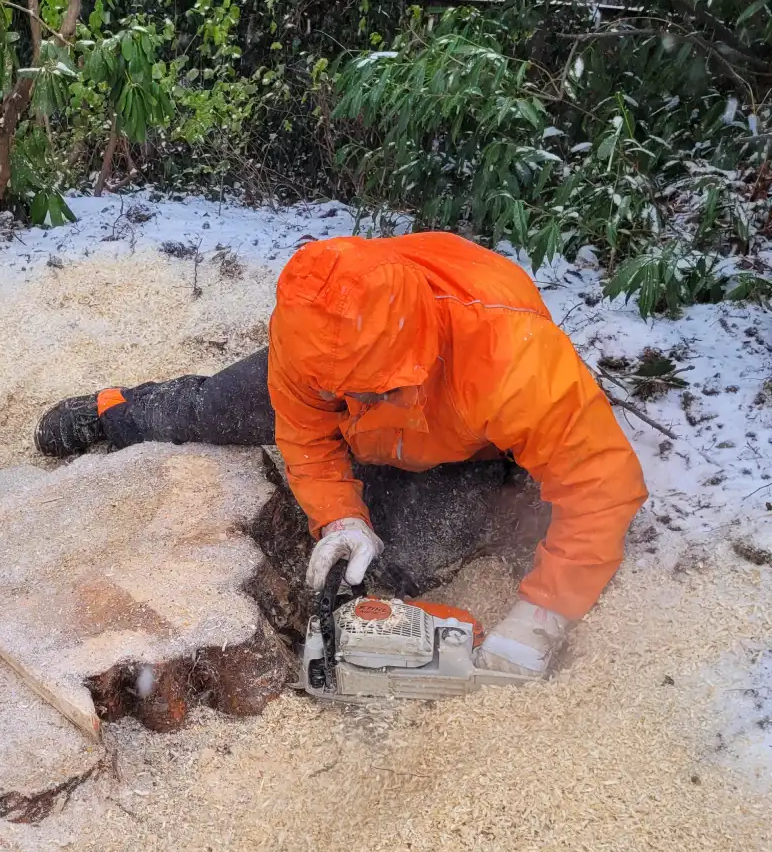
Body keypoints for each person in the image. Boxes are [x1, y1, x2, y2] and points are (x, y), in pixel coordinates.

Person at [34, 232, 648, 677]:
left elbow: (602, 484)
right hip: (355, 380)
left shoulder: (513, 360)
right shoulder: (312, 338)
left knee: (407, 562)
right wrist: (340, 516)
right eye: (335, 392)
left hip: (463, 445)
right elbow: (304, 433)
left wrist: (544, 611)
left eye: (367, 391)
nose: (345, 403)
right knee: (208, 408)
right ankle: (113, 407)